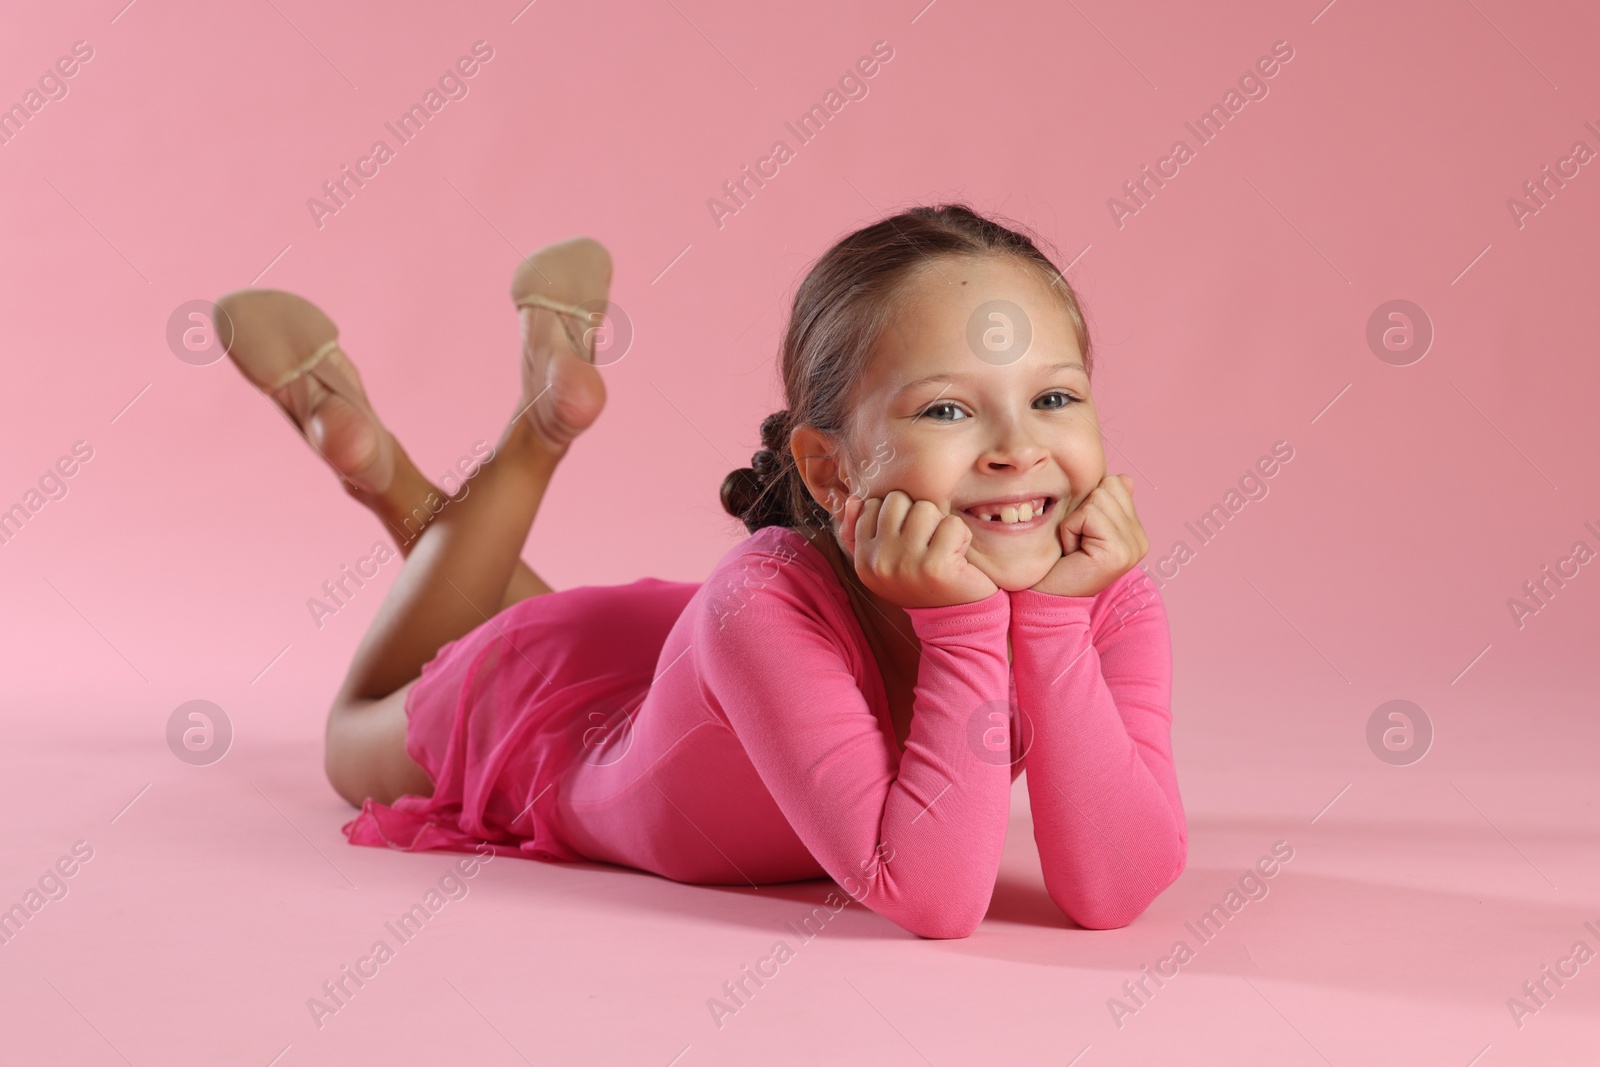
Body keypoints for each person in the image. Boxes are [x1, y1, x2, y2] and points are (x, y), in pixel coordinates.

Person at [214, 204, 1185, 940]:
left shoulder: (1099, 591)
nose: (1019, 448)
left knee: (504, 619)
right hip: (560, 708)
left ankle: (396, 465)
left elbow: (1114, 887)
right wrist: (968, 626)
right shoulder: (761, 598)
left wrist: (1052, 627)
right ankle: (522, 433)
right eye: (946, 410)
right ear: (830, 467)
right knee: (357, 731)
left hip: (687, 682)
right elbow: (931, 896)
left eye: (1054, 395)